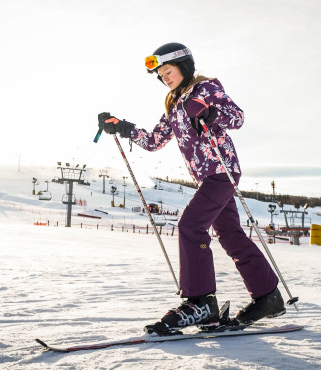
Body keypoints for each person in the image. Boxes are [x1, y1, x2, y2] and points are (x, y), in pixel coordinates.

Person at [99, 42, 285, 333]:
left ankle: (201, 302)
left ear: (183, 67)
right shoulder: (173, 104)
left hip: (221, 170)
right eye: (160, 75)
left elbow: (237, 117)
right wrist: (122, 127)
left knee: (190, 226)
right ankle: (268, 296)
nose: (164, 78)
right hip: (208, 176)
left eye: (168, 71)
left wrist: (210, 114)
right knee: (230, 234)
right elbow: (154, 141)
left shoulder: (206, 89)